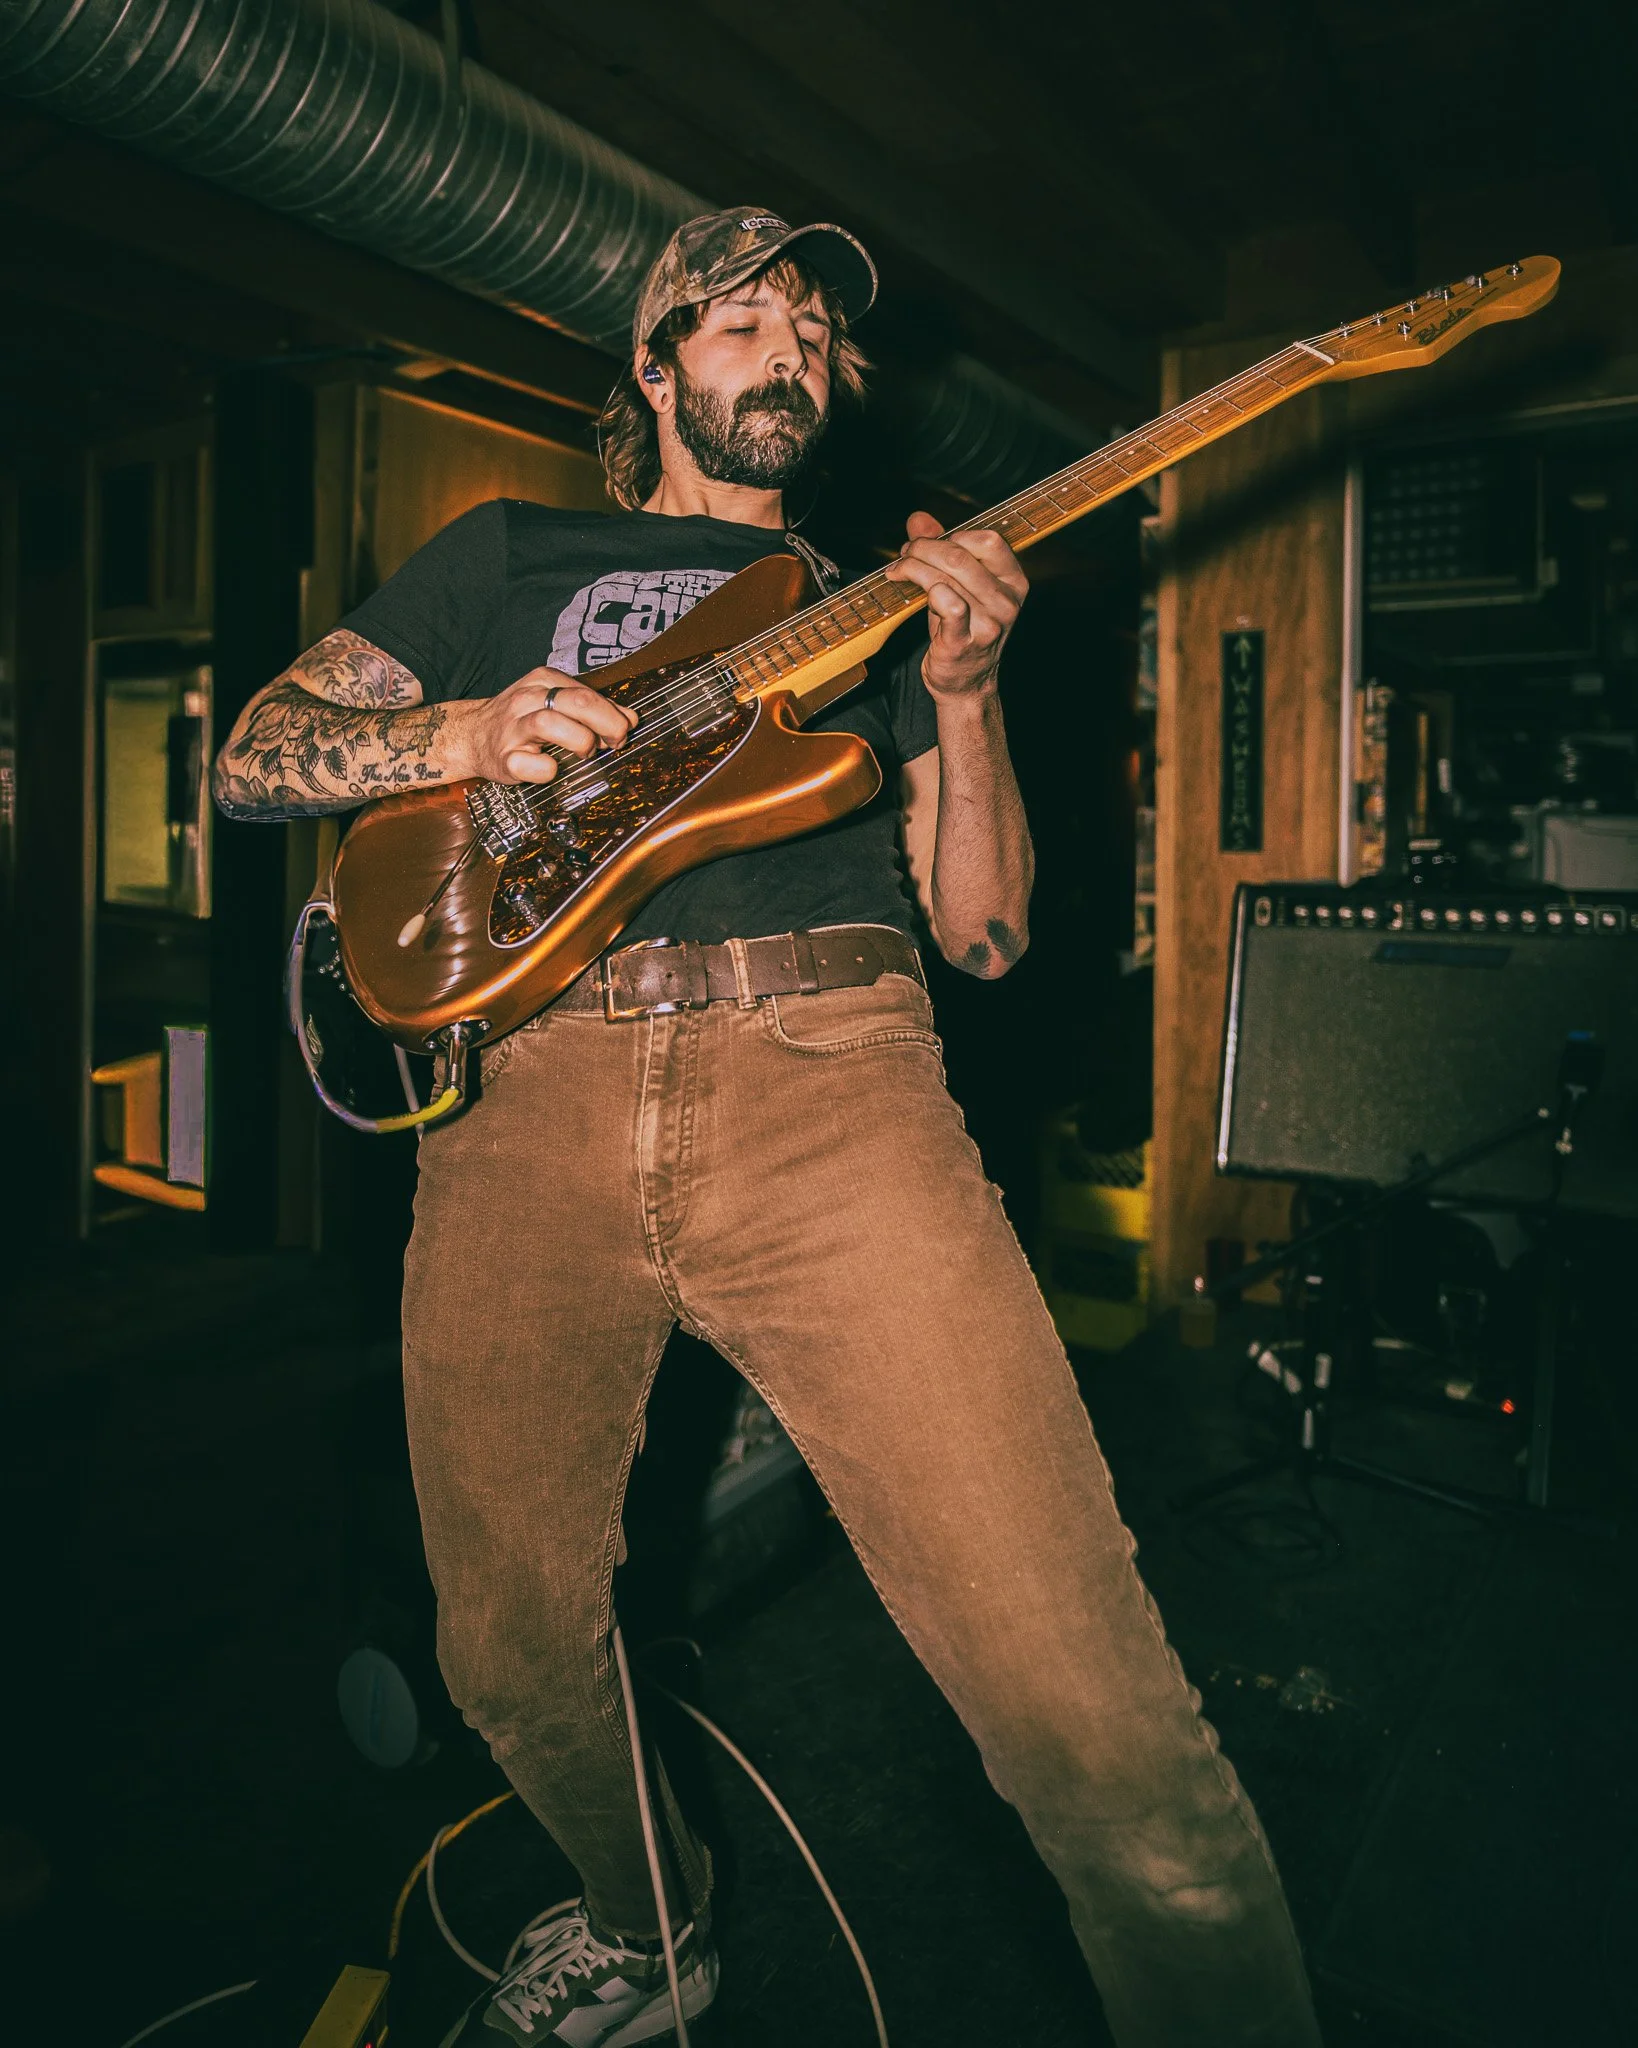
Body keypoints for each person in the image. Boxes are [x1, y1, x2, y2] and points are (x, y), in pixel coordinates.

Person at [214, 208, 1322, 2048]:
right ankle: (651, 1929)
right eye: (741, 317)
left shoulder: (868, 601)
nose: (787, 346)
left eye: (813, 329)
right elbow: (261, 749)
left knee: (1088, 1701)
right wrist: (470, 736)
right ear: (654, 368)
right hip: (531, 1103)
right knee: (500, 1639)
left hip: (832, 1084)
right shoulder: (506, 551)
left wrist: (964, 701)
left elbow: (981, 929)